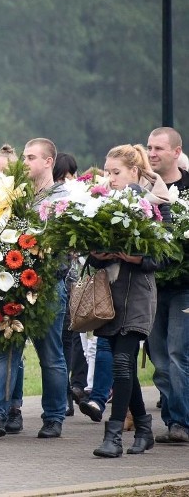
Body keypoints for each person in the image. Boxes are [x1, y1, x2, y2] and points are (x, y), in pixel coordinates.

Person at [0, 138, 69, 440]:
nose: (26, 162)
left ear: (49, 161)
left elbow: (58, 245)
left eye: (32, 157)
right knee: (5, 347)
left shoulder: (62, 197)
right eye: (24, 156)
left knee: (50, 354)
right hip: (14, 281)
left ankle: (54, 416)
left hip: (48, 285)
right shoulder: (17, 194)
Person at [89, 143, 171, 457]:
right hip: (110, 297)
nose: (109, 178)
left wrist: (136, 258)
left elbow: (163, 257)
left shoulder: (153, 204)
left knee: (123, 362)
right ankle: (145, 428)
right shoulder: (101, 203)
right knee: (126, 368)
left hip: (138, 295)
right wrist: (98, 255)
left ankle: (113, 437)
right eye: (107, 172)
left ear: (133, 172)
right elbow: (92, 257)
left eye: (116, 172)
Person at [146, 127, 189, 444]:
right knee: (159, 357)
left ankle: (182, 422)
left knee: (177, 353)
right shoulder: (142, 189)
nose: (152, 153)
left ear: (177, 151)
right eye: (149, 147)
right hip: (152, 284)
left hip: (184, 284)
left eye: (159, 148)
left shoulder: (187, 186)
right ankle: (173, 418)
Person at [53, 152, 88, 416]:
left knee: (64, 339)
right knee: (66, 339)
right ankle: (64, 395)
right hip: (69, 275)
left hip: (65, 275)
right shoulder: (65, 196)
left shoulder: (69, 197)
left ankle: (64, 394)